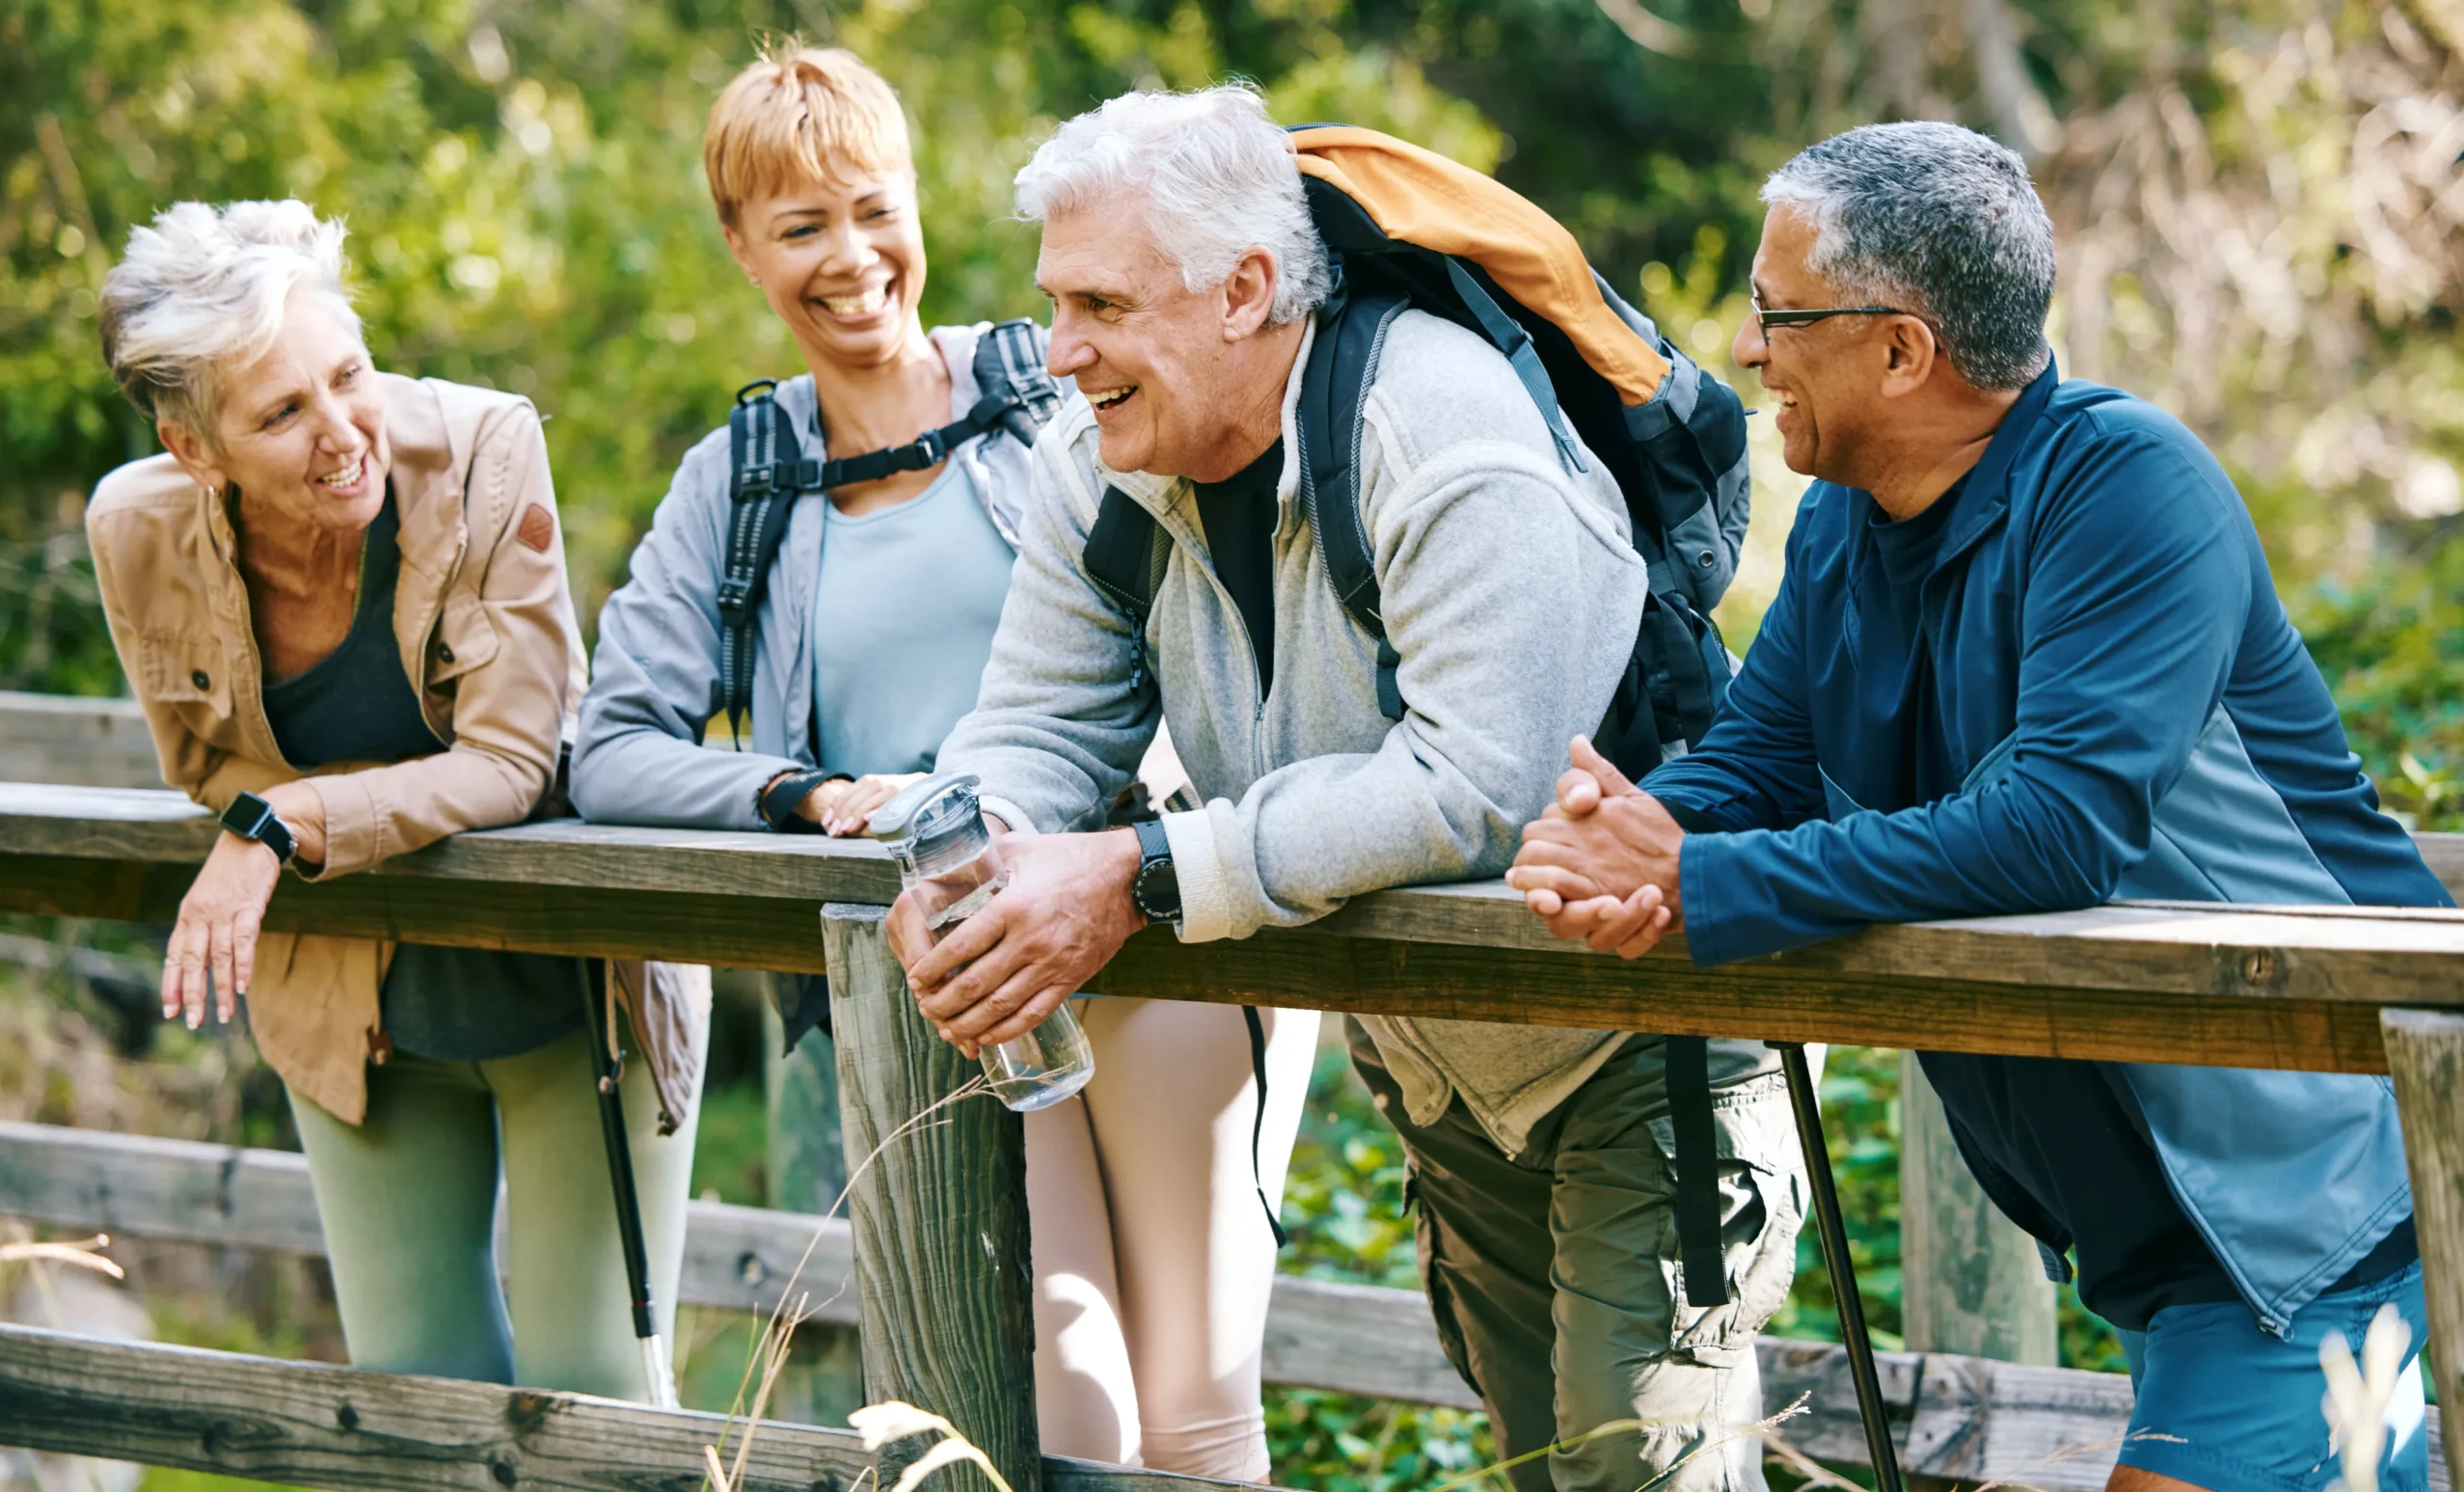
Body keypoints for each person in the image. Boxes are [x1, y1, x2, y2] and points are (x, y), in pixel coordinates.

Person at [890, 85, 1804, 1492]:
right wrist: (986, 845)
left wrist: (1133, 872)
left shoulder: (1440, 419)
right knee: (1547, 1464)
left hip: (1644, 1031)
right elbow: (1031, 722)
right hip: (1447, 1061)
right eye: (1054, 302)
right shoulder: (1098, 459)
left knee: (1638, 1474)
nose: (1058, 349)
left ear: (1245, 289)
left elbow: (1475, 789)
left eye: (1101, 304)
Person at [1509, 122, 2443, 1492]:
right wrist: (1628, 829)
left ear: (1901, 349)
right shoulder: (1844, 525)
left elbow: (2057, 822)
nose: (1751, 348)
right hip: (2183, 1231)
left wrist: (1701, 885)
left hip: (2333, 1207)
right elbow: (1758, 761)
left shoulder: (2130, 489)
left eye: (1778, 312)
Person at [566, 49, 1317, 1479]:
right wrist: (805, 792)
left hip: (1149, 900)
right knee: (1044, 1379)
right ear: (740, 247)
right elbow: (611, 747)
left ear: (915, 204)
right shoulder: (740, 476)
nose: (851, 259)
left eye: (871, 209)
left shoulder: (1059, 383)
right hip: (945, 973)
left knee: (1197, 1391)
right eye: (800, 228)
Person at [87, 200, 708, 1398]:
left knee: (598, 1402)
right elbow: (205, 768)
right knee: (417, 1402)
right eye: (282, 412)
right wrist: (265, 813)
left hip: (572, 999)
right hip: (350, 1008)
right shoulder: (137, 528)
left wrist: (285, 823)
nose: (340, 433)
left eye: (348, 374)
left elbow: (515, 758)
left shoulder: (483, 449)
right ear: (193, 448)